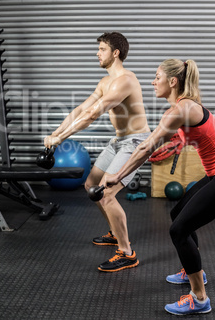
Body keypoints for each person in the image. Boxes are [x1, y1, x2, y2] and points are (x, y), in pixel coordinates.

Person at [102, 58, 215, 315]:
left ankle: (199, 298)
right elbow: (187, 135)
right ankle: (195, 272)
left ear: (172, 81)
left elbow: (146, 146)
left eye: (157, 77)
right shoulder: (184, 106)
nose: (152, 82)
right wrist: (174, 143)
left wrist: (117, 175)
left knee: (179, 230)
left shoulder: (179, 110)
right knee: (177, 214)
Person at [44, 32, 151, 272]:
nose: (97, 53)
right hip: (119, 140)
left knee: (106, 194)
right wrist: (55, 133)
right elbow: (81, 109)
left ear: (115, 53)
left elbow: (93, 114)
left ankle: (127, 253)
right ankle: (115, 232)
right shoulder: (104, 82)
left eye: (102, 49)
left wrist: (61, 138)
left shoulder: (125, 80)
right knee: (91, 184)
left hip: (136, 142)